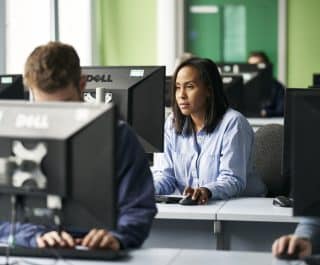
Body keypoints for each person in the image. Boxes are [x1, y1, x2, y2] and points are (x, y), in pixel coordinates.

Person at [0, 41, 157, 250]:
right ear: (31, 93)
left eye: (64, 105)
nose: (57, 119)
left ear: (82, 85)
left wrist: (116, 236)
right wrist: (35, 237)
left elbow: (138, 208)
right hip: (35, 252)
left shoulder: (118, 137)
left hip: (100, 255)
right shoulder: (14, 138)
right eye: (46, 108)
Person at [153, 57, 266, 204]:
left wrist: (207, 191)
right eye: (177, 87)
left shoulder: (233, 124)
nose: (181, 95)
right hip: (197, 209)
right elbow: (166, 177)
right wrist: (142, 189)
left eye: (190, 87)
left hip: (242, 209)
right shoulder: (172, 124)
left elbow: (232, 180)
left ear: (208, 90)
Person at [247, 51, 285, 117]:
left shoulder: (277, 87)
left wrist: (265, 113)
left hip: (269, 123)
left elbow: (281, 111)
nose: (253, 68)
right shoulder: (243, 87)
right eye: (250, 65)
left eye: (257, 65)